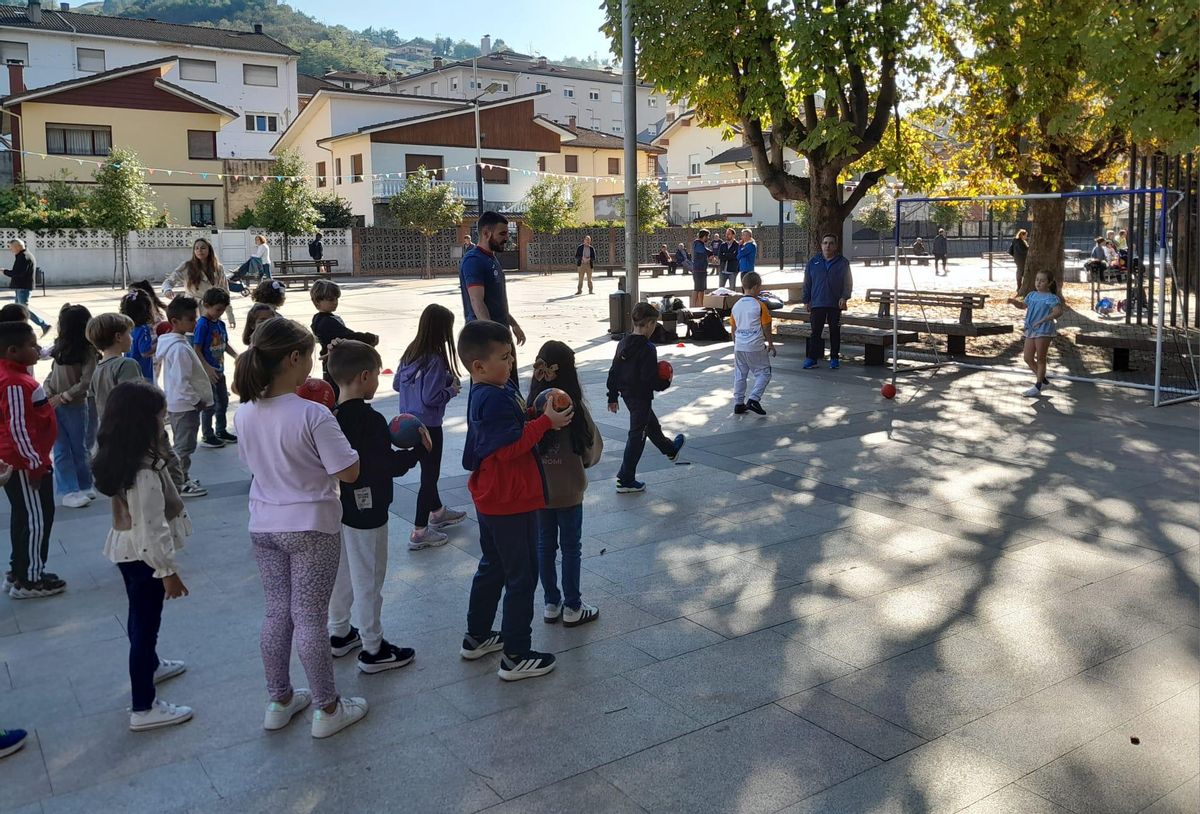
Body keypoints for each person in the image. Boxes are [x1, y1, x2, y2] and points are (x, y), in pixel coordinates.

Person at [232, 317, 368, 738]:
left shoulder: (244, 412)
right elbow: (348, 471)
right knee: (310, 618)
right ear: (294, 358)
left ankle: (279, 700)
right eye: (309, 356)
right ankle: (328, 707)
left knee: (277, 612)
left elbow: (250, 465)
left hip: (264, 524)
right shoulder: (313, 414)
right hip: (311, 525)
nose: (312, 365)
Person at [457, 319, 571, 681]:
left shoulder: (491, 388)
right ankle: (516, 655)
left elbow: (509, 429)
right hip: (510, 500)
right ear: (478, 366)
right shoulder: (491, 397)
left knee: (493, 564)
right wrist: (545, 423)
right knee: (522, 575)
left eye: (511, 356)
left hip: (494, 496)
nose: (511, 363)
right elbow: (508, 447)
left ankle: (477, 636)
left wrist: (535, 415)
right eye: (504, 357)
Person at [93, 380, 193, 732]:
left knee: (139, 619)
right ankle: (144, 707)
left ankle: (151, 664)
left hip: (128, 550)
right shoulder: (144, 470)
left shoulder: (117, 456)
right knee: (145, 627)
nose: (164, 423)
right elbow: (151, 527)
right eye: (160, 417)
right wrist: (167, 571)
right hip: (143, 557)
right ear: (143, 421)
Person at [325, 339, 426, 673]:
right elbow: (386, 466)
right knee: (368, 577)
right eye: (376, 375)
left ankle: (339, 632)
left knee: (342, 572)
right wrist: (417, 452)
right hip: (369, 511)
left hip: (338, 507)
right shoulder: (371, 420)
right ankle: (373, 648)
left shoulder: (330, 416)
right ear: (365, 376)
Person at [528, 341, 602, 627]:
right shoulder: (574, 410)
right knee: (571, 547)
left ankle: (551, 602)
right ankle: (573, 606)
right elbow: (591, 450)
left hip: (540, 491)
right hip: (570, 491)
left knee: (544, 545)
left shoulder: (530, 410)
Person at [0, 321, 64, 599]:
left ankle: (20, 570)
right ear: (12, 351)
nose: (38, 349)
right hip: (25, 464)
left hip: (25, 461)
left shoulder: (15, 377)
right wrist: (34, 464)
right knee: (36, 519)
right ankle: (30, 580)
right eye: (31, 345)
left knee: (25, 516)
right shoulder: (14, 382)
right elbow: (19, 428)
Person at [88, 313, 185, 493]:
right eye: (129, 333)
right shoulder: (126, 364)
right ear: (118, 337)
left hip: (114, 434)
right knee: (170, 473)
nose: (131, 338)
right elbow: (137, 400)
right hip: (139, 431)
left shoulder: (98, 370)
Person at [395, 303, 465, 549]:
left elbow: (396, 384)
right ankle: (419, 531)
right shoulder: (435, 359)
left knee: (428, 471)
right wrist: (451, 390)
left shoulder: (410, 353)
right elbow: (430, 397)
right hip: (430, 426)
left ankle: (438, 512)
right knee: (429, 476)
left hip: (408, 424)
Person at [607, 303, 685, 493]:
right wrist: (665, 382)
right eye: (655, 324)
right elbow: (648, 379)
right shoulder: (648, 348)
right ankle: (625, 479)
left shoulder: (623, 342)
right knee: (637, 436)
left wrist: (612, 396)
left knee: (651, 425)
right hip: (641, 398)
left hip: (627, 396)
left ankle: (670, 450)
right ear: (649, 324)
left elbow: (614, 371)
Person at [459, 211, 526, 385]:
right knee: (492, 391)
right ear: (486, 233)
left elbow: (496, 301)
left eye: (507, 233)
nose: (506, 238)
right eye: (502, 234)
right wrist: (492, 338)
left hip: (500, 337)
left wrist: (513, 324)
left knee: (510, 389)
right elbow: (477, 301)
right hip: (487, 342)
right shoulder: (474, 260)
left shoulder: (492, 259)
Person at [157, 297, 213, 499]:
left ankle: (183, 476)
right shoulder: (179, 348)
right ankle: (178, 482)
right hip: (185, 404)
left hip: (179, 403)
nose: (194, 323)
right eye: (190, 319)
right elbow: (182, 381)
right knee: (184, 446)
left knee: (184, 444)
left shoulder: (176, 343)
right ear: (175, 321)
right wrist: (196, 400)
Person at [43, 304, 97, 508]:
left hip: (76, 404)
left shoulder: (88, 352)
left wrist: (64, 396)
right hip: (54, 404)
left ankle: (84, 484)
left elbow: (87, 381)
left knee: (79, 447)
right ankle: (69, 490)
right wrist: (48, 391)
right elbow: (52, 374)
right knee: (61, 448)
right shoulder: (59, 349)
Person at [310, 280, 378, 394]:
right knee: (338, 390)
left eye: (336, 299)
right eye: (331, 300)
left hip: (334, 361)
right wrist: (369, 338)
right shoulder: (325, 322)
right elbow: (347, 336)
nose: (335, 302)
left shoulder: (324, 318)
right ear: (317, 301)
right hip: (334, 362)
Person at [194, 288, 239, 449]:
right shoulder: (202, 325)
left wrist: (237, 356)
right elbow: (197, 349)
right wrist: (207, 368)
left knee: (223, 401)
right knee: (209, 405)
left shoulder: (220, 324)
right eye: (218, 309)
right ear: (206, 305)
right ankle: (208, 434)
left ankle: (221, 430)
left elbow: (225, 344)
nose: (220, 313)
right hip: (208, 373)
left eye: (223, 310)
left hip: (219, 370)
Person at [802, 234, 853, 370]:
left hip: (834, 303)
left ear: (835, 246)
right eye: (825, 243)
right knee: (815, 331)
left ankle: (834, 358)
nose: (827, 246)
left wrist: (844, 297)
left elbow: (848, 283)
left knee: (834, 331)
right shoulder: (813, 262)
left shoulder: (843, 263)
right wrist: (806, 300)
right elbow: (807, 282)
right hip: (817, 302)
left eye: (831, 243)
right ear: (821, 245)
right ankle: (812, 358)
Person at [1009, 271, 1063, 397]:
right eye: (1037, 280)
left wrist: (1043, 320)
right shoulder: (1032, 295)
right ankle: (1044, 381)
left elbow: (1058, 312)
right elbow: (1023, 305)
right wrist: (1013, 302)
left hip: (1044, 330)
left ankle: (1038, 385)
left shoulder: (1051, 298)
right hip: (1031, 329)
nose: (1038, 283)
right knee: (1027, 358)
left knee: (1040, 359)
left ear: (1049, 283)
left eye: (1042, 281)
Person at [729, 271, 776, 416]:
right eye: (760, 287)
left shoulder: (736, 306)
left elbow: (733, 328)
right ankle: (754, 399)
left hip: (739, 346)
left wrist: (736, 343)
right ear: (755, 287)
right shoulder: (759, 305)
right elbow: (766, 326)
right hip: (755, 345)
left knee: (740, 374)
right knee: (764, 373)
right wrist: (770, 343)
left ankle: (738, 403)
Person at [163, 238, 235, 328]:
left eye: (203, 248)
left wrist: (230, 317)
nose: (199, 250)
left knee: (212, 334)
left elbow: (225, 292)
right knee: (193, 333)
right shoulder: (187, 266)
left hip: (211, 309)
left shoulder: (218, 268)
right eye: (196, 248)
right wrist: (167, 290)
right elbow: (169, 281)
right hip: (191, 309)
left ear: (209, 250)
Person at [2, 239, 49, 334]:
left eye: (11, 248)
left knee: (23, 310)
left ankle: (44, 325)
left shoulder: (24, 256)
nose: (11, 250)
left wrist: (5, 271)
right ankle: (18, 329)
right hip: (21, 287)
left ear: (17, 247)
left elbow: (18, 273)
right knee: (17, 310)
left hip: (23, 287)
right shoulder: (23, 255)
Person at [120, 289, 157, 382]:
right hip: (142, 374)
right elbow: (145, 352)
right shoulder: (143, 329)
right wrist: (161, 342)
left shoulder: (127, 327)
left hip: (129, 371)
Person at [690, 229, 712, 308]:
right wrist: (710, 253)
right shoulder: (697, 243)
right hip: (698, 270)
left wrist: (710, 253)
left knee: (701, 289)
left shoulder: (700, 244)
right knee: (697, 288)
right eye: (707, 236)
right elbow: (702, 251)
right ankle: (694, 306)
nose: (708, 238)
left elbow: (705, 250)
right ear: (704, 236)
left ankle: (700, 305)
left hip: (702, 269)